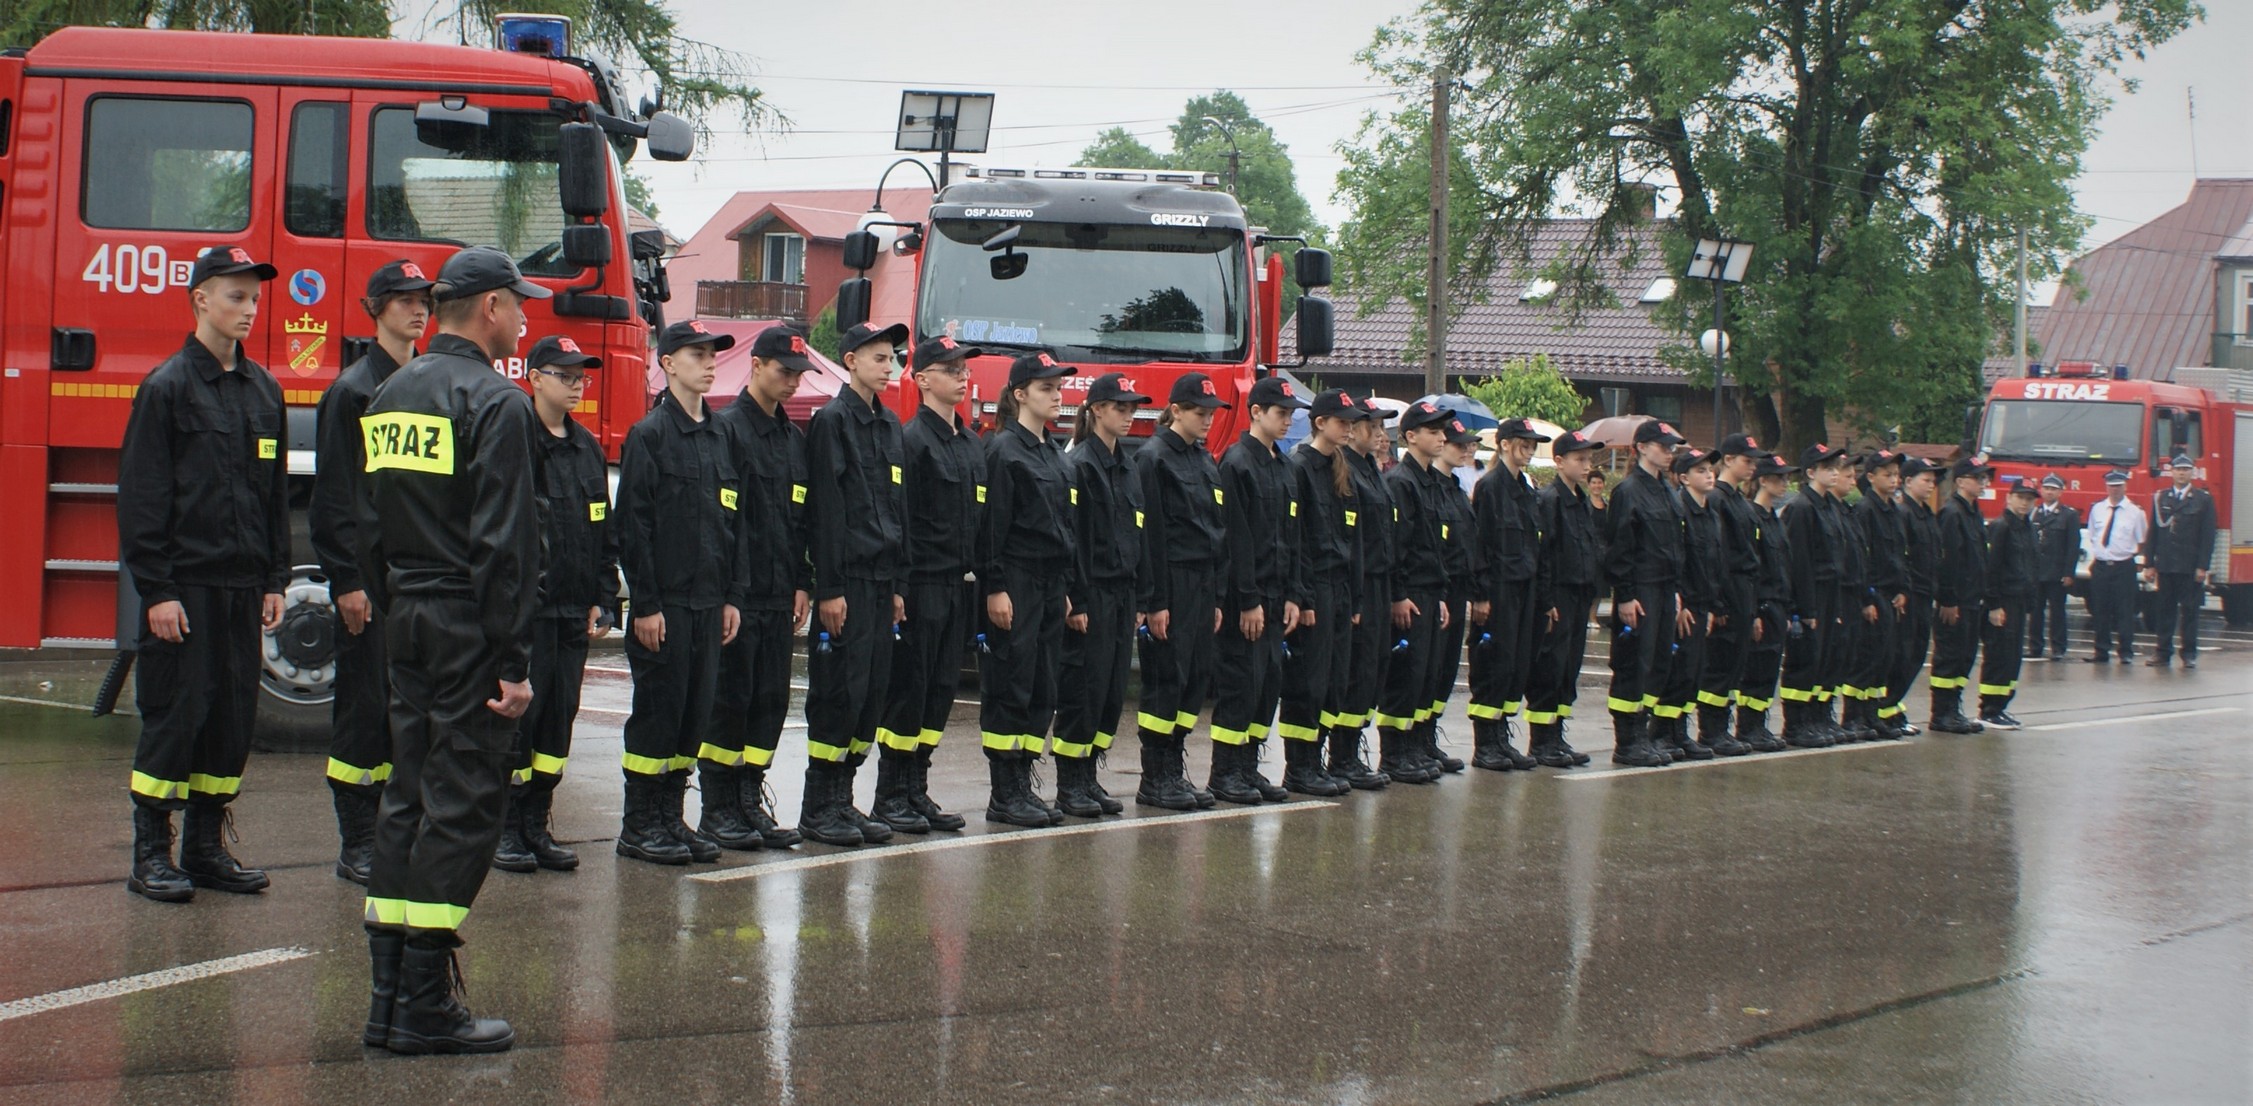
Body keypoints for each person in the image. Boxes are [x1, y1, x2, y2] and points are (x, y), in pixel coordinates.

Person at [356, 245, 545, 1054]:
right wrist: (513, 661)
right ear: (490, 308)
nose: (526, 316)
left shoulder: (389, 392)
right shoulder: (496, 402)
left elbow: (369, 521)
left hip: (407, 613)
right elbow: (504, 546)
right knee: (463, 801)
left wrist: (397, 601)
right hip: (467, 620)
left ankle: (388, 998)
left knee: (407, 793)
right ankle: (426, 1003)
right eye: (518, 302)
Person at [117, 245, 287, 905]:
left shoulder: (264, 391)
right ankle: (150, 856)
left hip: (243, 590)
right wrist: (157, 591)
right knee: (176, 715)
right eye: (235, 296)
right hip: (185, 589)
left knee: (230, 720)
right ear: (200, 300)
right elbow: (142, 500)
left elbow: (273, 497)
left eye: (254, 298)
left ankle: (205, 849)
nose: (248, 309)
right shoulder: (166, 388)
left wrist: (274, 579)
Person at [311, 260, 433, 885]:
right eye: (405, 300)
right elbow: (334, 499)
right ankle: (357, 840)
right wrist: (347, 582)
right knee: (364, 709)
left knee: (410, 710)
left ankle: (397, 833)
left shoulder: (427, 384)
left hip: (418, 579)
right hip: (371, 582)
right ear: (377, 307)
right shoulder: (353, 391)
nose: (419, 310)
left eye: (425, 300)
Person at [614, 320, 745, 865]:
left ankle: (671, 817)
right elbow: (633, 527)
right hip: (665, 606)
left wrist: (731, 595)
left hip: (709, 604)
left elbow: (733, 523)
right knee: (659, 714)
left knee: (694, 715)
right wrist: (645, 604)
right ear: (667, 364)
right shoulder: (650, 435)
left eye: (713, 355)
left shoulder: (720, 436)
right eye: (697, 355)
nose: (709, 363)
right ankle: (639, 825)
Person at [490, 336, 617, 874]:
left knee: (557, 724)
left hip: (571, 611)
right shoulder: (518, 440)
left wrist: (603, 595)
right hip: (529, 613)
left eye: (580, 377)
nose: (576, 385)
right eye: (564, 376)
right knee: (522, 722)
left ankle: (537, 823)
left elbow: (602, 526)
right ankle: (505, 828)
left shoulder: (586, 447)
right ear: (535, 378)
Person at [801, 322, 913, 845]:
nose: (889, 367)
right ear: (850, 361)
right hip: (847, 581)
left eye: (892, 358)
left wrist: (899, 585)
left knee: (870, 694)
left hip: (882, 581)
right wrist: (829, 588)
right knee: (837, 692)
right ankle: (818, 806)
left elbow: (898, 508)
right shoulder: (832, 421)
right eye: (879, 358)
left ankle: (843, 799)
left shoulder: (889, 424)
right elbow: (826, 511)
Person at [711, 325, 817, 846]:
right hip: (741, 594)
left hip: (778, 595)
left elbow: (800, 520)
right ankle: (718, 808)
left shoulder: (792, 440)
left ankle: (750, 800)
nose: (793, 382)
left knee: (769, 700)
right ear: (756, 367)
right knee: (730, 700)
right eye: (784, 371)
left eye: (799, 374)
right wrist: (730, 593)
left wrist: (802, 581)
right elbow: (723, 522)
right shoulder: (727, 430)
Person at [876, 333, 986, 831]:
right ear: (922, 379)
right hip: (922, 583)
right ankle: (890, 794)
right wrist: (900, 587)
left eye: (964, 369)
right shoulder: (911, 441)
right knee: (910, 687)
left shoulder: (971, 444)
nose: (962, 377)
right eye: (951, 369)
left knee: (941, 689)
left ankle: (917, 787)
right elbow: (900, 519)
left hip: (959, 584)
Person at [978, 351, 1077, 825]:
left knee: (1042, 683)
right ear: (1020, 394)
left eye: (1058, 388)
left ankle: (1024, 779)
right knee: (1011, 680)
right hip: (1016, 577)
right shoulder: (1003, 451)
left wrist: (1066, 587)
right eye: (1046, 388)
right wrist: (995, 586)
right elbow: (992, 527)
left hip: (1051, 581)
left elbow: (1064, 526)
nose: (1057, 396)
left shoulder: (1054, 454)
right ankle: (1005, 791)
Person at [1132, 374, 1231, 809]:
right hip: (1173, 581)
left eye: (1211, 413)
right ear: (1175, 410)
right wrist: (1156, 601)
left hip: (1203, 584)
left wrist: (1218, 597)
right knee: (1166, 680)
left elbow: (1217, 529)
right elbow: (1150, 535)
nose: (1207, 419)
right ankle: (1155, 777)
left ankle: (1174, 765)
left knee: (1193, 679)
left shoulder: (1204, 459)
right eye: (1199, 412)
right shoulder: (1153, 458)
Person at [1054, 372, 1151, 816]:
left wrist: (1141, 599)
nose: (1128, 416)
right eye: (1120, 408)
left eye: (1132, 408)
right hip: (1092, 592)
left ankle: (1090, 775)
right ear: (1095, 410)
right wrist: (1077, 600)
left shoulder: (1127, 466)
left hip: (1122, 593)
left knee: (1112, 690)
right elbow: (1073, 539)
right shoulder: (1080, 465)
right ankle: (1070, 782)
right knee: (1084, 687)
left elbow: (1139, 534)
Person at [1210, 377, 1310, 800]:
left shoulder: (1284, 467)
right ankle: (1225, 772)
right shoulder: (1237, 463)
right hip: (1246, 599)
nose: (1287, 421)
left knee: (1267, 685)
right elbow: (1236, 539)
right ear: (1256, 412)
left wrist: (1293, 595)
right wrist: (1248, 600)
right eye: (1280, 413)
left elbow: (1293, 537)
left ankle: (1248, 767)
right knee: (1240, 683)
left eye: (1290, 414)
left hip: (1276, 596)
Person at [1278, 390, 1364, 795]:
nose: (1348, 428)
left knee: (1334, 678)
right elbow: (1296, 540)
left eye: (1350, 422)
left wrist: (1355, 598)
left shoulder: (1340, 469)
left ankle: (1319, 759)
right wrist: (1304, 597)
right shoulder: (1300, 467)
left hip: (1340, 588)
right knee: (1307, 680)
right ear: (1320, 423)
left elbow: (1353, 538)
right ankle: (1299, 765)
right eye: (1341, 421)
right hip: (1315, 588)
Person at [1376, 401, 1455, 783]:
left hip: (1429, 591)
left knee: (1425, 673)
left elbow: (1435, 546)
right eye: (1433, 431)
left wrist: (1439, 595)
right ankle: (1394, 754)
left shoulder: (1430, 482)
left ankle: (1416, 746)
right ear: (1410, 436)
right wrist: (1399, 594)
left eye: (1443, 431)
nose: (1442, 438)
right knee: (1405, 674)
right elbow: (1397, 547)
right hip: (1410, 593)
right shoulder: (1402, 482)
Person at [1603, 419, 1689, 767]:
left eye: (1672, 447)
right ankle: (1627, 741)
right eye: (1662, 446)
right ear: (1641, 448)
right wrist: (1625, 595)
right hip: (1641, 588)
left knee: (1657, 663)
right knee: (1633, 663)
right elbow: (1619, 547)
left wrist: (1677, 590)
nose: (1669, 452)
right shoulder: (1628, 491)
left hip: (1665, 588)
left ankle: (1645, 734)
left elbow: (1676, 544)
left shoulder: (1666, 489)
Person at [1468, 417, 1553, 770]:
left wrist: (1543, 599)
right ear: (1504, 444)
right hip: (1500, 589)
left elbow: (1537, 545)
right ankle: (1486, 744)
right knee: (1494, 664)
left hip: (1525, 588)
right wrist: (1481, 594)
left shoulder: (1527, 489)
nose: (1529, 450)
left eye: (1533, 445)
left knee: (1516, 666)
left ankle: (1502, 737)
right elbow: (1481, 544)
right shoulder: (1490, 487)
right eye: (1524, 443)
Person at [1339, 399, 1416, 783]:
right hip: (1361, 582)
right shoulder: (1346, 470)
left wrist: (1396, 590)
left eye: (1383, 427)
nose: (1381, 434)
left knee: (1374, 669)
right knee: (1357, 670)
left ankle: (1353, 751)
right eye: (1374, 426)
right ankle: (1342, 756)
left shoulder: (1373, 470)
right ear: (1353, 428)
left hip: (1381, 582)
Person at [1522, 427, 1605, 766]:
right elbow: (1544, 554)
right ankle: (1541, 741)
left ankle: (1557, 736)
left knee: (1569, 667)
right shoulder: (1550, 500)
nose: (1586, 466)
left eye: (1588, 460)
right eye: (1579, 459)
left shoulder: (1581, 500)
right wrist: (1547, 601)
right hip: (1559, 595)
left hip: (1579, 594)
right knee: (1550, 667)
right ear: (1559, 461)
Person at [1693, 435, 1767, 755]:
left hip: (1744, 588)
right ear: (1729, 460)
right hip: (1729, 587)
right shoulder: (1718, 499)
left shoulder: (1739, 500)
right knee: (1720, 663)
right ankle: (1711, 730)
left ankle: (1722, 727)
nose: (1752, 467)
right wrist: (1719, 601)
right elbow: (1718, 552)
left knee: (1736, 662)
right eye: (1747, 460)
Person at [1779, 444, 1852, 747]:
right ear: (1810, 472)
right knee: (1805, 661)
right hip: (1811, 595)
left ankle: (1816, 718)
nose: (1834, 473)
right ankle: (1796, 724)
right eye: (1827, 468)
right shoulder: (1802, 508)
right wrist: (1805, 608)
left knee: (1825, 659)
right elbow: (1800, 562)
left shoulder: (1829, 506)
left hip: (1830, 593)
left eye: (1836, 467)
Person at [1424, 419, 1484, 772]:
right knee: (1428, 668)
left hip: (1458, 589)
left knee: (1445, 669)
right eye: (1458, 444)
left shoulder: (1457, 490)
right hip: (1439, 589)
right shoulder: (1431, 486)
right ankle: (1416, 742)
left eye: (1468, 445)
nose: (1465, 450)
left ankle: (1429, 738)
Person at [1656, 447, 1723, 759]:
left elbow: (1712, 565)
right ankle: (1662, 733)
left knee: (1693, 672)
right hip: (1684, 603)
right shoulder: (1679, 510)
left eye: (1710, 469)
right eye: (1700, 470)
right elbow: (1677, 559)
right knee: (1678, 670)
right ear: (1683, 478)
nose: (1709, 475)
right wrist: (1679, 601)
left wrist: (1711, 606)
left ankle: (1680, 732)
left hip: (1702, 604)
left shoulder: (1710, 512)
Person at [1733, 451, 1797, 752]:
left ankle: (1759, 724)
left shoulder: (1775, 519)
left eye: (1786, 478)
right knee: (1755, 668)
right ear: (1763, 480)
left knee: (1770, 668)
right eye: (1779, 478)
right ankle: (1747, 726)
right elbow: (1752, 567)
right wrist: (1756, 610)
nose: (1784, 484)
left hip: (1778, 603)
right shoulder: (1752, 516)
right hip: (1763, 604)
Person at [1928, 456, 1994, 733]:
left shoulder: (1973, 512)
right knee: (1949, 656)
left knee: (1965, 656)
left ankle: (1954, 708)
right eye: (1977, 478)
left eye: (1984, 478)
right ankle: (1941, 713)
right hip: (1956, 600)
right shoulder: (1952, 513)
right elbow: (1947, 561)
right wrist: (1948, 599)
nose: (1982, 483)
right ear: (1960, 482)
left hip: (1972, 598)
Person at [1847, 450, 1908, 739]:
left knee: (1883, 659)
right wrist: (1866, 598)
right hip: (1873, 593)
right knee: (1866, 658)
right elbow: (1863, 558)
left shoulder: (1894, 510)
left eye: (1896, 475)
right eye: (1887, 475)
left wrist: (1902, 589)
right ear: (1871, 477)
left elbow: (1899, 554)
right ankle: (1853, 716)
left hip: (1891, 594)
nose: (1894, 480)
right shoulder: (1865, 510)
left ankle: (1872, 715)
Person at [1880, 456, 1942, 737]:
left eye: (1933, 481)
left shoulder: (1926, 514)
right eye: (1925, 480)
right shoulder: (1903, 513)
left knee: (1915, 654)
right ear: (1907, 481)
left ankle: (1893, 705)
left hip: (1925, 593)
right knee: (1902, 654)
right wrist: (1902, 589)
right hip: (1910, 594)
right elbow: (1900, 557)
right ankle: (1886, 708)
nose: (1931, 485)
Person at [1976, 478, 2040, 729]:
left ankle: (2001, 705)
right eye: (2020, 497)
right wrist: (1993, 604)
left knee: (2013, 657)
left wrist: (2031, 599)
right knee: (1998, 655)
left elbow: (2032, 565)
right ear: (2009, 498)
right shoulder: (2001, 527)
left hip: (2019, 600)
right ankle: (1989, 709)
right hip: (2003, 600)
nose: (2025, 503)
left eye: (2029, 499)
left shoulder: (2029, 528)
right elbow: (1991, 568)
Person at [2144, 454, 2217, 668]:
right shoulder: (2161, 497)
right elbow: (2153, 533)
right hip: (2166, 564)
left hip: (2189, 566)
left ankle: (2189, 654)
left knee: (2190, 611)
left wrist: (2202, 566)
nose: (2182, 473)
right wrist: (2149, 563)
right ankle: (2162, 652)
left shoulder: (2203, 499)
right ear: (2172, 472)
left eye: (2186, 469)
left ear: (2192, 472)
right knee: (2165, 611)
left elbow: (2207, 536)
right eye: (2178, 469)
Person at [2080, 469, 2146, 664]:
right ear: (2106, 487)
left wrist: (2125, 554)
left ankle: (2125, 652)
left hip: (2123, 566)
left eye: (2118, 486)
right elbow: (2093, 535)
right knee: (2100, 609)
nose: (2115, 489)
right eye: (2111, 486)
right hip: (2101, 566)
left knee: (2125, 611)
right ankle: (2101, 651)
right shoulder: (2097, 509)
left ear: (2125, 486)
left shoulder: (2136, 512)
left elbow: (2141, 539)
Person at [2026, 474, 2081, 661]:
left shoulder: (2069, 515)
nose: (2049, 492)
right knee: (2035, 611)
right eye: (2046, 488)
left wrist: (2069, 572)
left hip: (2057, 572)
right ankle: (2035, 646)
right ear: (2041, 490)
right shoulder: (2034, 513)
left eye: (2053, 489)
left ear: (2060, 492)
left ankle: (2058, 647)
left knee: (2057, 611)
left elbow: (2073, 546)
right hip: (2037, 571)